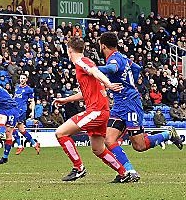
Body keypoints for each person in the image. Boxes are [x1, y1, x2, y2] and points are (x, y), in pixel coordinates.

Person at [97, 32, 182, 180]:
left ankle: (168, 134)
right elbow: (136, 68)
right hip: (120, 104)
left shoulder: (114, 59)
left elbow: (111, 69)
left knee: (139, 146)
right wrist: (131, 84)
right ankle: (129, 172)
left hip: (130, 104)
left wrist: (93, 69)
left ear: (103, 45)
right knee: (109, 140)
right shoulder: (123, 57)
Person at [53, 37, 130, 183]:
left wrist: (109, 84)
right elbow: (86, 92)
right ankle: (123, 173)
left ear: (69, 49)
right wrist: (66, 99)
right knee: (98, 149)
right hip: (102, 111)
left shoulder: (82, 62)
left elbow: (96, 72)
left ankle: (78, 168)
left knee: (61, 133)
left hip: (96, 111)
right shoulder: (84, 65)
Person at [13, 74, 41, 155]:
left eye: (23, 78)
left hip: (21, 110)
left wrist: (32, 112)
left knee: (11, 126)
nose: (22, 79)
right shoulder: (17, 87)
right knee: (21, 130)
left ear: (26, 79)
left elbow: (32, 101)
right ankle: (35, 144)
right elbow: (15, 97)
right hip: (15, 109)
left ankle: (20, 146)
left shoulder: (28, 89)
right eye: (21, 78)